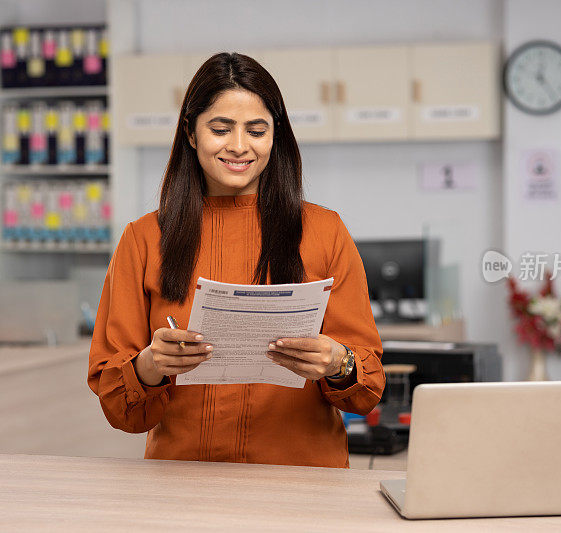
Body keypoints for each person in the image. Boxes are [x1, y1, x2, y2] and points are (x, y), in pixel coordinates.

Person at [88, 52, 384, 468]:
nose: (240, 146)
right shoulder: (144, 238)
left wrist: (339, 362)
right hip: (182, 481)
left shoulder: (325, 231)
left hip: (303, 483)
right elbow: (119, 406)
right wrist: (150, 364)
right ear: (191, 133)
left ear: (274, 136)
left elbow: (366, 390)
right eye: (221, 128)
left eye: (257, 130)